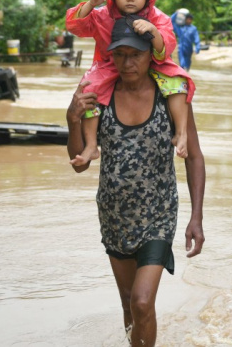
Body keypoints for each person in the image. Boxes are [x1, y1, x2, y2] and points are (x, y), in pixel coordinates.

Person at [66, 25, 206, 346]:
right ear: (110, 55)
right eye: (121, 55)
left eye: (136, 55)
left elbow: (194, 157)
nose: (128, 63)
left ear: (150, 56)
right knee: (129, 301)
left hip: (158, 215)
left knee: (142, 301)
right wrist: (72, 119)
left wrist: (196, 217)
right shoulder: (99, 96)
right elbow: (80, 162)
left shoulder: (170, 97)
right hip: (114, 215)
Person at [65, 0, 195, 165]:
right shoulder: (101, 15)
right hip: (107, 66)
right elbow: (75, 26)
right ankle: (90, 145)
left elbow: (167, 45)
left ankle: (181, 133)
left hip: (151, 64)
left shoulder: (157, 17)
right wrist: (89, 4)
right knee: (88, 89)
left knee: (178, 82)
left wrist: (152, 30)